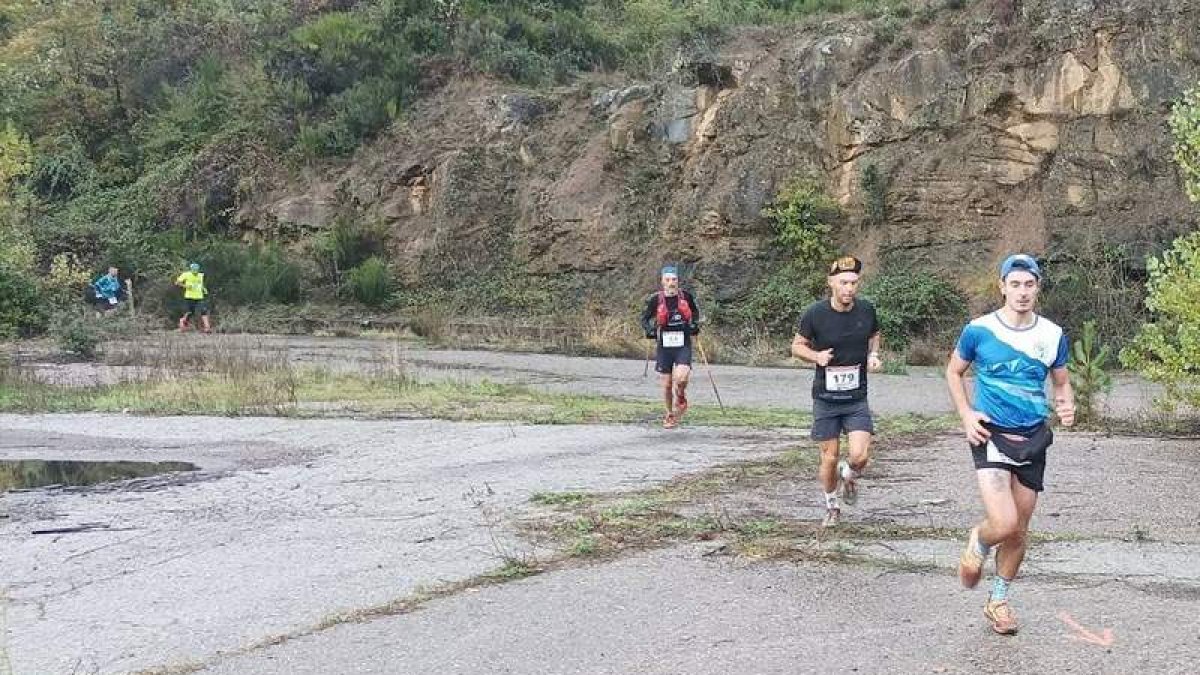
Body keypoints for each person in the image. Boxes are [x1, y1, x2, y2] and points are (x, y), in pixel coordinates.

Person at [946, 254, 1075, 636]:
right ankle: (979, 541)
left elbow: (1062, 380)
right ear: (1002, 287)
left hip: (1033, 437)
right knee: (1002, 523)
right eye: (1015, 284)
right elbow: (954, 372)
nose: (1022, 292)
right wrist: (967, 414)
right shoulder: (978, 330)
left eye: (1029, 285)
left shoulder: (1052, 334)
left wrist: (1066, 402)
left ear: (1038, 289)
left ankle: (998, 601)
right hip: (991, 433)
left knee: (1018, 530)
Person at [790, 256, 882, 528]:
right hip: (826, 399)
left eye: (853, 283)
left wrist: (874, 354)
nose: (849, 289)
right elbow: (797, 346)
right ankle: (832, 505)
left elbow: (874, 334)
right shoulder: (815, 314)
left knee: (860, 456)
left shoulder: (866, 310)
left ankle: (849, 474)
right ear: (831, 283)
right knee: (829, 457)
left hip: (856, 398)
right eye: (843, 282)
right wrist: (815, 356)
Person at [640, 265, 701, 429]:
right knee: (667, 384)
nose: (671, 282)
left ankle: (680, 396)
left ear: (677, 281)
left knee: (681, 378)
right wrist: (649, 330)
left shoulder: (686, 296)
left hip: (682, 343)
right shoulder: (656, 299)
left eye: (674, 279)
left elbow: (695, 313)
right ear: (662, 282)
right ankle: (669, 414)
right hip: (665, 346)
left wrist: (695, 325)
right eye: (668, 280)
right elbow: (644, 319)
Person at [175, 262, 211, 333]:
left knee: (204, 311)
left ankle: (207, 328)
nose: (195, 272)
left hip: (199, 296)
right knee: (190, 313)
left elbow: (200, 283)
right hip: (189, 297)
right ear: (191, 269)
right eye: (194, 270)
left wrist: (204, 289)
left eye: (196, 270)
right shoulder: (186, 274)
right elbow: (177, 283)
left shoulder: (201, 275)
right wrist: (186, 286)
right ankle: (183, 322)